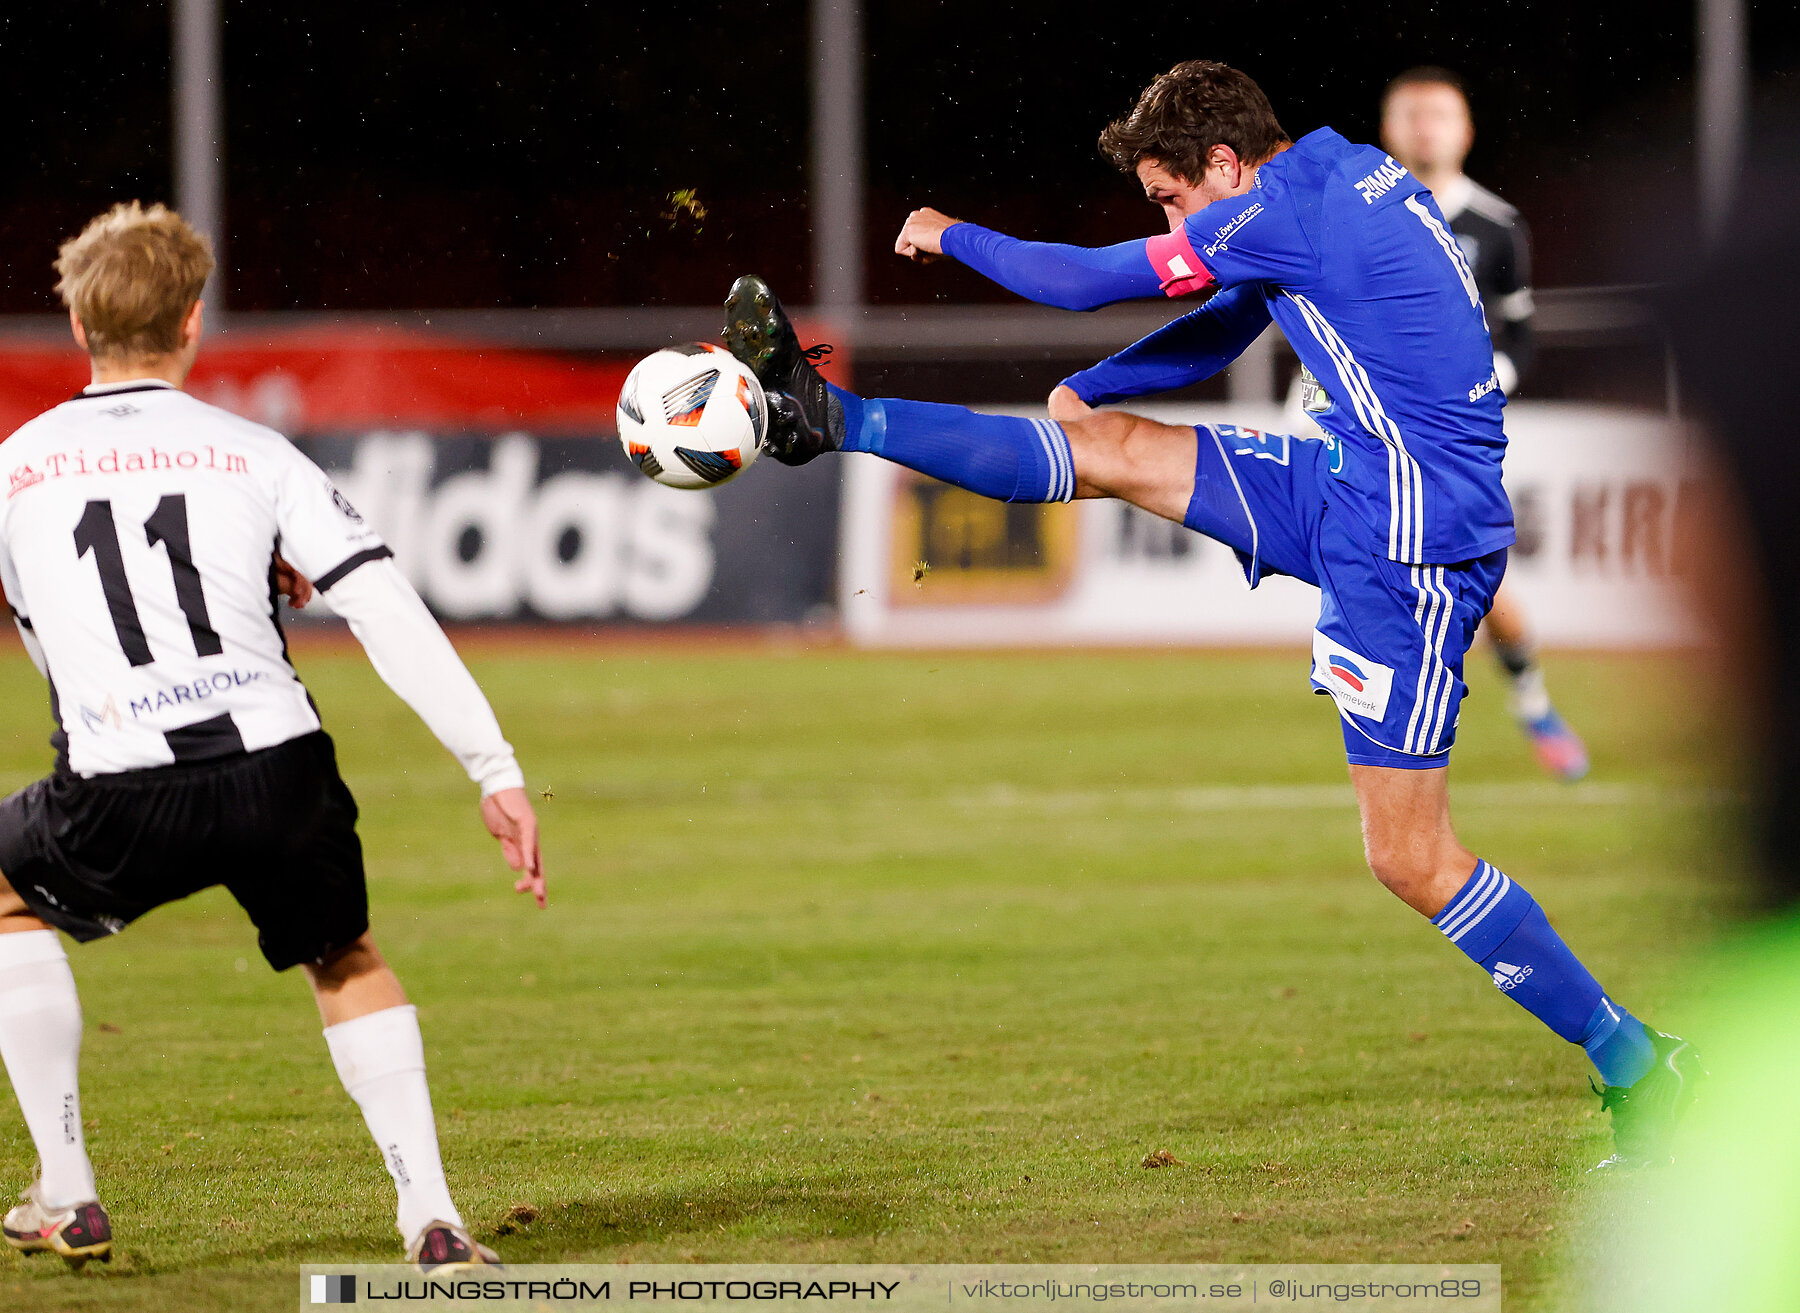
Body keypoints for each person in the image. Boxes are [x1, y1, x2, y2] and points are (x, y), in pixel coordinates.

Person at [723, 60, 1700, 1169]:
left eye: (1171, 199)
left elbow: (1091, 278)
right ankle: (824, 414)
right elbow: (1231, 316)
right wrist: (1098, 384)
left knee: (1411, 856)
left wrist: (952, 234)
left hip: (1410, 544)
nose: (1170, 221)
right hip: (1356, 482)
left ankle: (1641, 1063)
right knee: (1116, 448)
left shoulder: (1291, 204)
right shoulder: (1340, 169)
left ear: (1224, 164)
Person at [0, 203, 544, 1274]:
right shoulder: (255, 452)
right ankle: (431, 1219)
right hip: (277, 769)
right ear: (194, 321)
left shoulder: (16, 465)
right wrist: (495, 768)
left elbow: (49, 637)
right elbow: (387, 611)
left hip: (119, 784)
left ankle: (67, 1187)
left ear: (77, 322)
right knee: (343, 955)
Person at [1379, 65, 1588, 781]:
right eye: (1410, 114)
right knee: (1375, 569)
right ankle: (1402, 727)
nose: (1424, 126)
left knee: (1481, 583)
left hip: (1455, 440)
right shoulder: (1363, 217)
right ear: (1389, 128)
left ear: (1464, 130)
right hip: (1371, 428)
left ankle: (1530, 698)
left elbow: (1522, 333)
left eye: (1438, 114)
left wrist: (1486, 384)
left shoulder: (1496, 227)